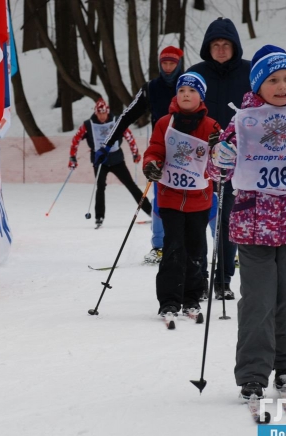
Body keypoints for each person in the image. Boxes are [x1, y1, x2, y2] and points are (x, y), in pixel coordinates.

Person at [207, 45, 286, 399]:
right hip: (252, 226)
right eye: (273, 80)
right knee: (258, 302)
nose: (282, 86)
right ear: (258, 85)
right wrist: (221, 156)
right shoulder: (242, 120)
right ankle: (253, 374)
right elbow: (217, 167)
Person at [97, 46, 184, 259]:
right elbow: (127, 116)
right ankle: (159, 246)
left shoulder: (190, 84)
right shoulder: (150, 88)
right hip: (161, 150)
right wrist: (108, 143)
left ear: (180, 64)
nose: (168, 67)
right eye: (165, 63)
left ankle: (210, 248)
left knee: (201, 197)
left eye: (172, 63)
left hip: (189, 149)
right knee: (161, 199)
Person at [187, 17, 251, 301]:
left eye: (226, 44)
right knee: (196, 217)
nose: (221, 49)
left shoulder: (250, 72)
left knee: (227, 218)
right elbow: (182, 108)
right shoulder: (196, 73)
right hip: (199, 157)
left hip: (236, 158)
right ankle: (196, 276)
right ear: (208, 47)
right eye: (216, 44)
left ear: (234, 47)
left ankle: (223, 277)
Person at [142, 72, 216, 317]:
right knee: (173, 249)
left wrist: (219, 146)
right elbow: (155, 149)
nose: (186, 94)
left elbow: (222, 158)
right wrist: (151, 163)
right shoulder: (165, 123)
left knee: (196, 250)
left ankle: (192, 297)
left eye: (192, 91)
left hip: (199, 199)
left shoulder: (211, 125)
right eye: (182, 90)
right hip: (170, 196)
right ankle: (169, 301)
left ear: (201, 97)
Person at [69, 98, 151, 226]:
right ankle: (99, 217)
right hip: (100, 161)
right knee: (100, 187)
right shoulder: (88, 125)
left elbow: (128, 136)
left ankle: (150, 211)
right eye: (99, 113)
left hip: (117, 160)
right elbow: (76, 139)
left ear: (107, 112)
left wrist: (135, 152)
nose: (102, 116)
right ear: (96, 113)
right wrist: (72, 157)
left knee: (131, 185)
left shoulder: (116, 121)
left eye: (104, 113)